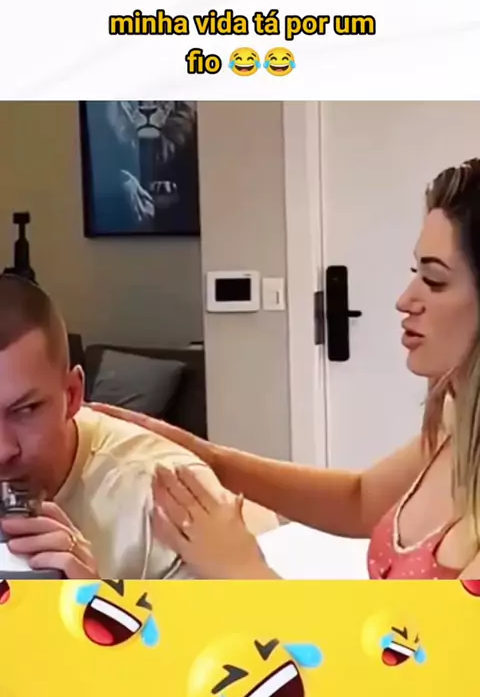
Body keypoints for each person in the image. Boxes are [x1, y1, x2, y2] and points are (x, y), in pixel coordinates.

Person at [92, 158, 480, 580]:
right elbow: (360, 500)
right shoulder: (456, 422)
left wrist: (242, 567)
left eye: (434, 280)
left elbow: (430, 631)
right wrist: (206, 457)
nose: (405, 300)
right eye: (415, 273)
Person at [0, 273, 246, 579]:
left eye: (26, 410)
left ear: (72, 395)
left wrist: (93, 598)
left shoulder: (169, 502)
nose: (3, 451)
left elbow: (248, 608)